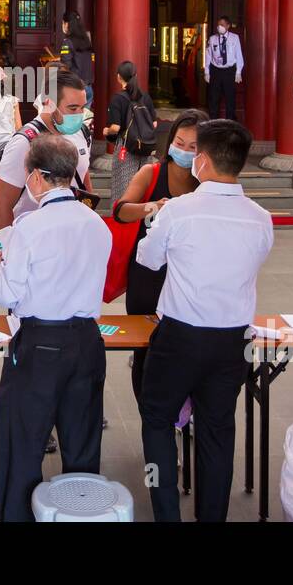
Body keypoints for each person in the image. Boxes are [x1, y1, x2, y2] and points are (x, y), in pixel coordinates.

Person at [136, 119, 273, 522]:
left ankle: (167, 514)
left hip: (180, 337)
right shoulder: (261, 218)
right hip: (233, 341)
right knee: (217, 431)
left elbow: (148, 259)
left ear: (204, 161)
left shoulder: (179, 211)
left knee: (158, 420)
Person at [0, 134, 112, 521]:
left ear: (37, 177)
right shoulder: (97, 224)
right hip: (87, 342)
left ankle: (19, 514)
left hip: (40, 343)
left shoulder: (29, 227)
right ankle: (81, 512)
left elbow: (7, 292)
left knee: (22, 438)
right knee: (82, 440)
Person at [114, 108, 207, 400]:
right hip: (148, 276)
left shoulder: (208, 182)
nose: (184, 150)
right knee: (147, 349)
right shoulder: (151, 172)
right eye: (179, 143)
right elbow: (120, 211)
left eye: (193, 147)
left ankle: (184, 410)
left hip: (190, 277)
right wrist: (153, 207)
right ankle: (149, 413)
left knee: (189, 348)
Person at [0, 69, 91, 232]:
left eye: (82, 107)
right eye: (72, 108)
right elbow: (1, 204)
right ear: (48, 103)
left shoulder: (82, 133)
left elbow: (83, 179)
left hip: (72, 233)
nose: (79, 115)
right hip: (32, 239)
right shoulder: (25, 142)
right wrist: (9, 248)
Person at [103, 60, 158, 202]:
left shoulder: (118, 99)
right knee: (145, 186)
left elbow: (115, 128)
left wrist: (106, 131)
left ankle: (122, 217)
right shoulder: (145, 97)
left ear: (119, 77)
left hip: (126, 147)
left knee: (123, 187)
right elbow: (154, 123)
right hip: (145, 146)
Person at [204, 16, 243, 120]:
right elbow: (208, 56)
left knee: (230, 98)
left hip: (229, 71)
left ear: (228, 26)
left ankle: (229, 123)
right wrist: (207, 72)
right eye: (218, 25)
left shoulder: (235, 38)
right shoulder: (212, 39)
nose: (219, 27)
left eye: (222, 25)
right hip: (216, 70)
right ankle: (213, 123)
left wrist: (238, 71)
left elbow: (238, 55)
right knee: (214, 99)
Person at [59, 10, 95, 109]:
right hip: (88, 88)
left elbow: (66, 66)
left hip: (75, 88)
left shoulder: (67, 42)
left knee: (73, 121)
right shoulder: (86, 41)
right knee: (84, 121)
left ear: (66, 24)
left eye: (62, 23)